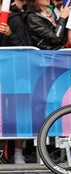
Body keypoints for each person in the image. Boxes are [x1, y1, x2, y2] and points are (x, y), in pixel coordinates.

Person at [0, 0, 32, 164]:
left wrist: (10, 34)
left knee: (15, 112)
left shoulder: (15, 20)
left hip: (13, 74)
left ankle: (19, 152)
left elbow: (25, 47)